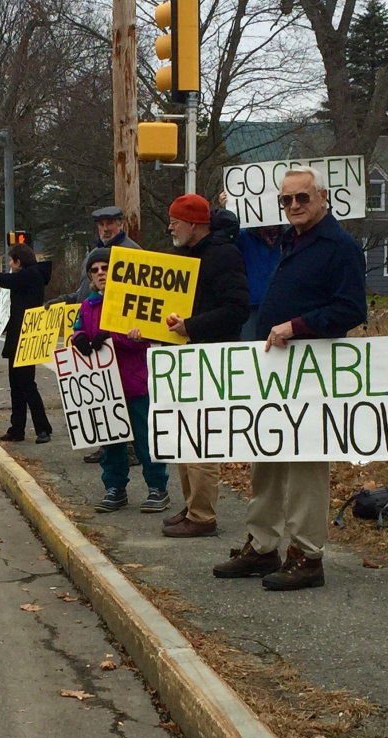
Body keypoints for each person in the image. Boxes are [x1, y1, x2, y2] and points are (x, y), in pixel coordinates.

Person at [212, 167, 366, 590]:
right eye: (287, 200)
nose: (294, 206)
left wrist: (296, 326)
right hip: (277, 371)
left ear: (323, 197)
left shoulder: (340, 246)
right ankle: (263, 547)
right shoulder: (288, 240)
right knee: (267, 459)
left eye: (302, 198)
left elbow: (352, 309)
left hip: (313, 372)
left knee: (305, 466)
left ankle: (306, 556)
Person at [161, 194, 250, 538]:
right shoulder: (189, 256)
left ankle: (202, 515)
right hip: (187, 355)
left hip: (211, 358)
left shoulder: (223, 256)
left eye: (175, 220)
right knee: (183, 432)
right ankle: (191, 505)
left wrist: (192, 327)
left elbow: (238, 308)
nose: (170, 226)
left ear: (195, 224)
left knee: (200, 436)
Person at [72, 248, 170, 513]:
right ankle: (115, 488)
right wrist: (78, 337)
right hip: (104, 387)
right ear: (90, 276)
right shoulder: (87, 305)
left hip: (134, 382)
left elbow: (143, 337)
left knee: (144, 439)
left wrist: (113, 338)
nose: (101, 273)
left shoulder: (132, 300)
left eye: (106, 268)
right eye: (95, 270)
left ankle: (157, 486)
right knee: (111, 441)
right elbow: (77, 329)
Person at [46, 206, 140, 464]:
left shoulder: (132, 253)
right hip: (91, 332)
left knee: (124, 393)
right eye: (101, 224)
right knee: (102, 393)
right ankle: (105, 445)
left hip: (120, 339)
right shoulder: (93, 254)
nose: (106, 228)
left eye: (110, 223)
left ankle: (131, 448)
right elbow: (84, 292)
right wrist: (64, 301)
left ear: (120, 223)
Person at [0, 243, 54, 444]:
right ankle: (17, 429)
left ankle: (43, 429)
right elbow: (10, 310)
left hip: (28, 337)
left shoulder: (31, 275)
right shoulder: (27, 277)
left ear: (19, 261)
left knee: (26, 384)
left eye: (11, 260)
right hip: (18, 336)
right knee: (16, 385)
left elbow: (5, 280)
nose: (10, 264)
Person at [218, 190, 284, 341]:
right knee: (250, 354)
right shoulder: (242, 235)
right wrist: (227, 210)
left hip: (283, 305)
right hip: (251, 306)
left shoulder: (290, 235)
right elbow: (224, 239)